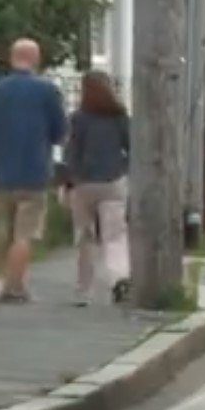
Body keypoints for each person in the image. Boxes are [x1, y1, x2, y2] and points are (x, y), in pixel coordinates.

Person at [0, 38, 68, 303]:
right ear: (35, 59)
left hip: (3, 172)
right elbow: (60, 132)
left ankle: (7, 283)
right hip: (35, 172)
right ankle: (15, 288)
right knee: (25, 234)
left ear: (12, 58)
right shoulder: (47, 91)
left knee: (6, 231)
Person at [65, 70, 131, 306]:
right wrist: (124, 168)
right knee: (114, 236)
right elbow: (132, 146)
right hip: (113, 182)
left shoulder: (78, 119)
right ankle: (119, 278)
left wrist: (69, 181)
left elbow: (71, 153)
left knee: (85, 237)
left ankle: (84, 290)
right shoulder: (119, 117)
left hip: (84, 184)